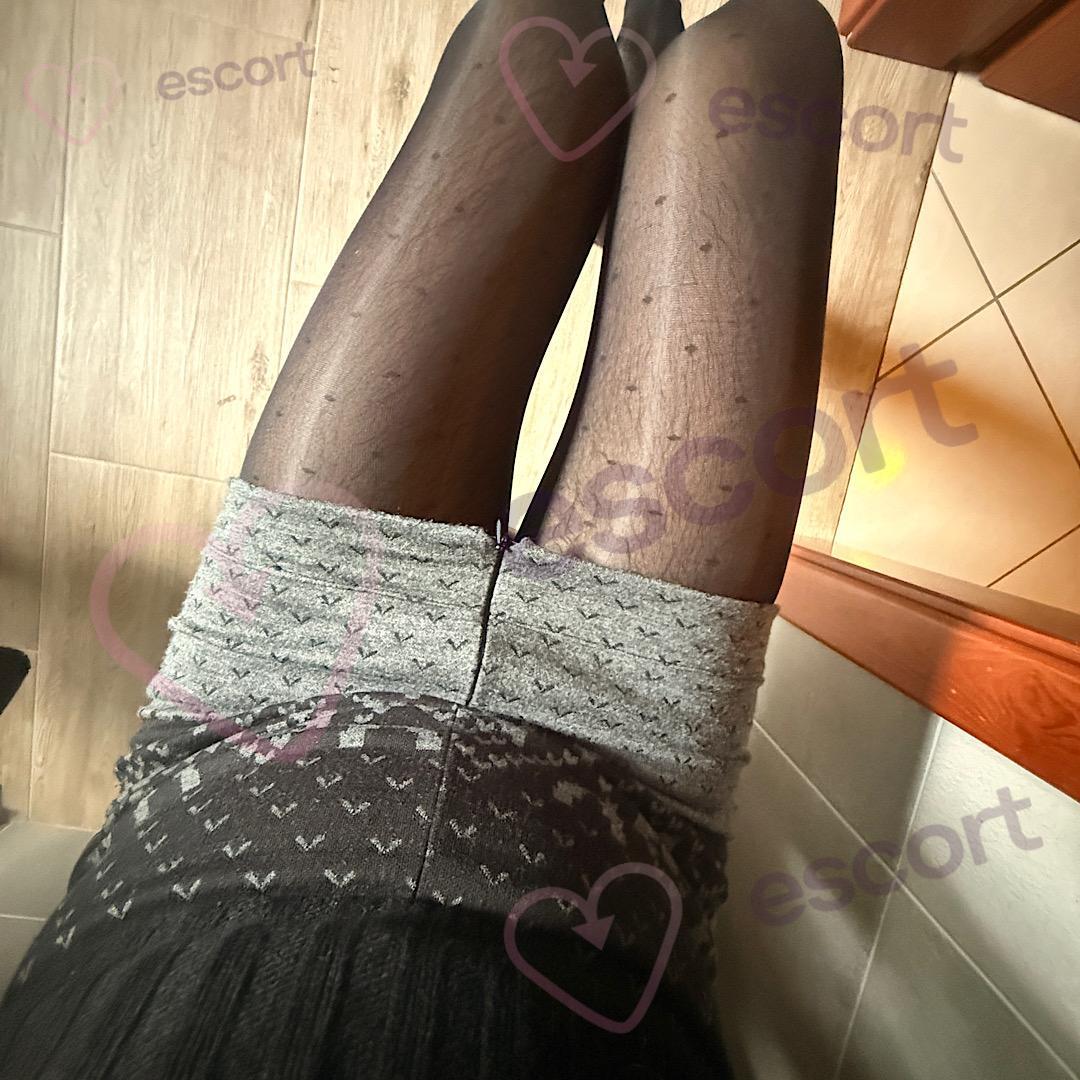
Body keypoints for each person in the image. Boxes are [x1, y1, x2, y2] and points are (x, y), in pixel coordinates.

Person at [0, 0, 841, 1075]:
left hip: (259, 724)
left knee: (540, 43)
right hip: (619, 793)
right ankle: (638, 89)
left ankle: (630, 82)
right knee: (766, 60)